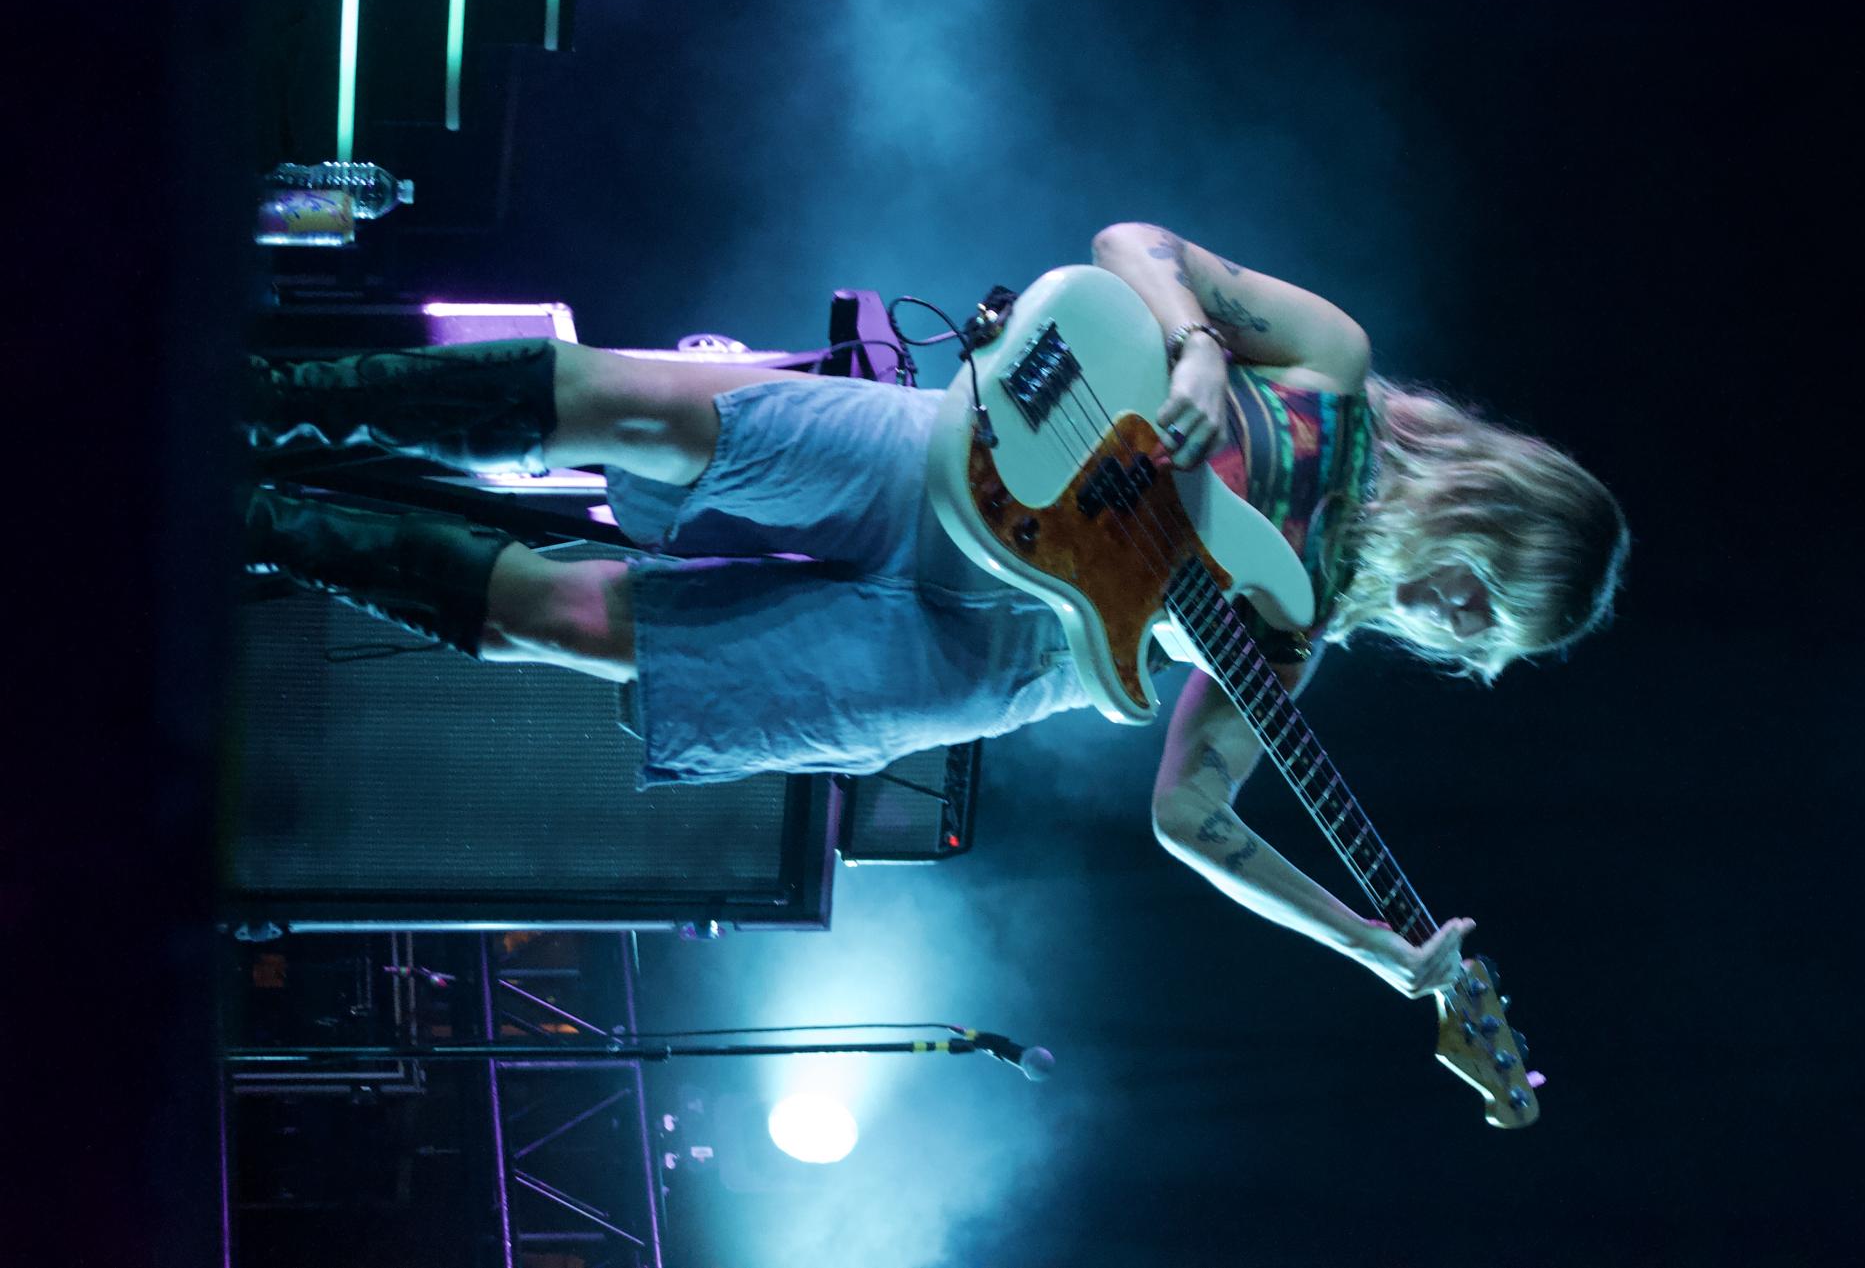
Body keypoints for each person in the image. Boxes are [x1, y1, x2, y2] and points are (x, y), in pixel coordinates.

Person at [240, 221, 1629, 1001]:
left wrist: (1380, 953)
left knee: (579, 621)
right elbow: (1138, 245)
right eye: (1484, 609)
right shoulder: (1329, 368)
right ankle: (261, 408)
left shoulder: (1289, 633)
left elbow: (1188, 818)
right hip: (948, 458)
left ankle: (247, 513)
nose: (1449, 631)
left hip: (983, 655)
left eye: (1474, 641)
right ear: (1495, 521)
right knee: (619, 403)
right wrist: (1199, 348)